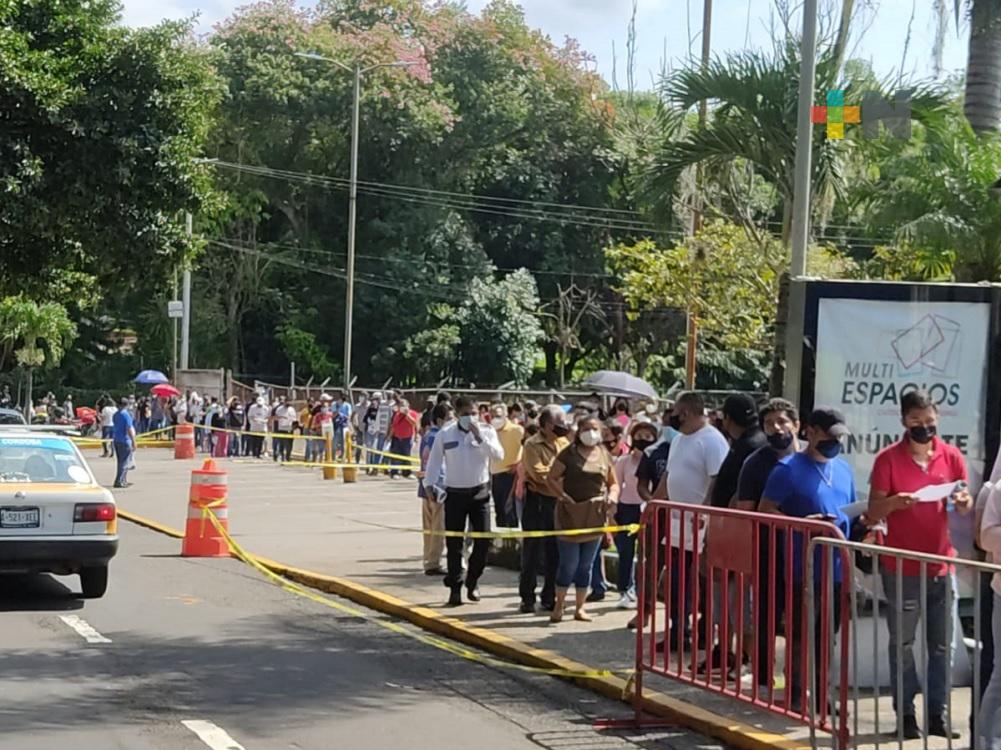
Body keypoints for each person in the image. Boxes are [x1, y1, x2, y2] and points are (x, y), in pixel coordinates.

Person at [866, 390, 971, 740]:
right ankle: (906, 714)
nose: (925, 429)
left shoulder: (951, 456)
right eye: (917, 423)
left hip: (942, 565)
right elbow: (873, 511)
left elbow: (962, 502)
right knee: (903, 644)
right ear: (903, 422)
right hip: (902, 568)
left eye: (930, 422)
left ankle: (938, 715)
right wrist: (895, 502)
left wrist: (963, 500)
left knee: (943, 646)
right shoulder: (888, 459)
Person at [759, 407, 854, 714]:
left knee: (829, 635)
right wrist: (800, 522)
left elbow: (852, 510)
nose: (833, 443)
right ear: (810, 432)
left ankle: (823, 693)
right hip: (803, 565)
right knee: (801, 631)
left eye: (838, 438)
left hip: (838, 566)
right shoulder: (787, 469)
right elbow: (764, 510)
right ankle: (797, 692)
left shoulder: (844, 469)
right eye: (828, 436)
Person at [649, 392, 729, 650]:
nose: (672, 417)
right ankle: (678, 630)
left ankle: (705, 632)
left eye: (675, 411)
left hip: (700, 523)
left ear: (685, 412)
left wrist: (705, 513)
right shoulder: (679, 440)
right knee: (676, 579)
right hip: (676, 521)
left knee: (704, 581)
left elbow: (717, 481)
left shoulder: (712, 441)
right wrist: (653, 504)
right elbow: (669, 476)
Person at [735, 397, 801, 691]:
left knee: (800, 618)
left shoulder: (809, 460)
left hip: (805, 554)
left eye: (782, 422)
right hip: (768, 551)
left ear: (796, 425)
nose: (776, 429)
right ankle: (762, 675)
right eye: (769, 424)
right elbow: (746, 508)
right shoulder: (754, 463)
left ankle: (798, 678)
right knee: (766, 615)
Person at [423, 396, 504, 606]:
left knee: (483, 541)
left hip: (480, 493)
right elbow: (434, 461)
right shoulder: (446, 433)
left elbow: (498, 455)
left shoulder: (486, 430)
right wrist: (429, 485)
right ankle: (455, 588)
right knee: (454, 544)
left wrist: (479, 437)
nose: (471, 417)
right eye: (466, 414)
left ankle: (473, 580)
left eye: (474, 413)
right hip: (455, 494)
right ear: (458, 415)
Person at [546, 415, 619, 623]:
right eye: (586, 428)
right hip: (570, 513)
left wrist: (612, 497)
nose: (591, 433)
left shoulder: (604, 454)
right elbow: (551, 478)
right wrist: (562, 495)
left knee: (586, 565)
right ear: (578, 431)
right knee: (569, 563)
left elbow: (613, 483)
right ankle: (559, 604)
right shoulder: (568, 454)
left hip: (594, 515)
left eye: (595, 429)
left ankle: (580, 608)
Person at [519, 405, 570, 614]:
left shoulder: (564, 443)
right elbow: (539, 474)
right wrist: (558, 476)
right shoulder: (532, 445)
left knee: (555, 552)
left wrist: (555, 476)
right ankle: (527, 597)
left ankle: (549, 597)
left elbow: (572, 470)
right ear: (546, 425)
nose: (562, 428)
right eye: (558, 424)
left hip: (557, 502)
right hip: (537, 502)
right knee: (532, 550)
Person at [613, 421, 659, 609]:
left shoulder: (655, 460)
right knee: (626, 551)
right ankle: (625, 589)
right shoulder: (623, 461)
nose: (643, 440)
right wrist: (613, 510)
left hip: (647, 508)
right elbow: (616, 484)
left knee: (646, 553)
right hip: (626, 508)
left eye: (648, 437)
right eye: (639, 436)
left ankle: (644, 592)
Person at [418, 403, 453, 576]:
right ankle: (433, 562)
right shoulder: (440, 436)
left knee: (428, 527)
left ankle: (428, 558)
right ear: (440, 420)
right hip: (437, 487)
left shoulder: (426, 436)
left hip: (424, 486)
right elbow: (438, 465)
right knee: (438, 527)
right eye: (449, 418)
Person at [489, 403, 524, 528]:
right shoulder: (490, 431)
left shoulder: (516, 430)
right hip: (494, 475)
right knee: (499, 510)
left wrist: (519, 464)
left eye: (498, 415)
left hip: (510, 475)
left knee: (509, 510)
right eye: (492, 416)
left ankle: (512, 544)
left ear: (505, 415)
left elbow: (529, 448)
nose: (494, 419)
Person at [389, 395, 419, 478]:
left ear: (408, 406)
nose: (401, 407)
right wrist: (389, 436)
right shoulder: (397, 414)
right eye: (400, 405)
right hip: (397, 438)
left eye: (403, 405)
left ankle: (407, 473)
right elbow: (394, 426)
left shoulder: (413, 413)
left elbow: (414, 423)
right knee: (395, 455)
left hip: (407, 438)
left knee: (406, 455)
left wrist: (407, 415)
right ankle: (394, 472)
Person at [112, 397, 136, 489]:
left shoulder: (115, 415)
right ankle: (119, 481)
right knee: (125, 462)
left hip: (117, 439)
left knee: (120, 461)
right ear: (126, 405)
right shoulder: (126, 415)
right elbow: (129, 428)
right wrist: (133, 441)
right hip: (125, 440)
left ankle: (123, 480)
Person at [272, 396, 297, 462]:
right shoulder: (279, 409)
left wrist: (294, 426)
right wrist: (280, 417)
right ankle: (282, 457)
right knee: (282, 444)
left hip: (289, 429)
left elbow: (294, 419)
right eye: (287, 401)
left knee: (289, 444)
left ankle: (288, 457)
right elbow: (275, 418)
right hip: (281, 429)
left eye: (289, 401)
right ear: (285, 402)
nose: (288, 403)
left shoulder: (292, 409)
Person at [333, 391, 352, 458]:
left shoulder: (348, 405)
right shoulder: (335, 404)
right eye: (343, 396)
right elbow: (333, 415)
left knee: (343, 442)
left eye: (345, 396)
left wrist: (343, 416)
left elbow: (349, 416)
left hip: (344, 425)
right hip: (336, 425)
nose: (344, 397)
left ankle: (342, 456)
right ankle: (333, 457)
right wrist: (338, 408)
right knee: (335, 442)